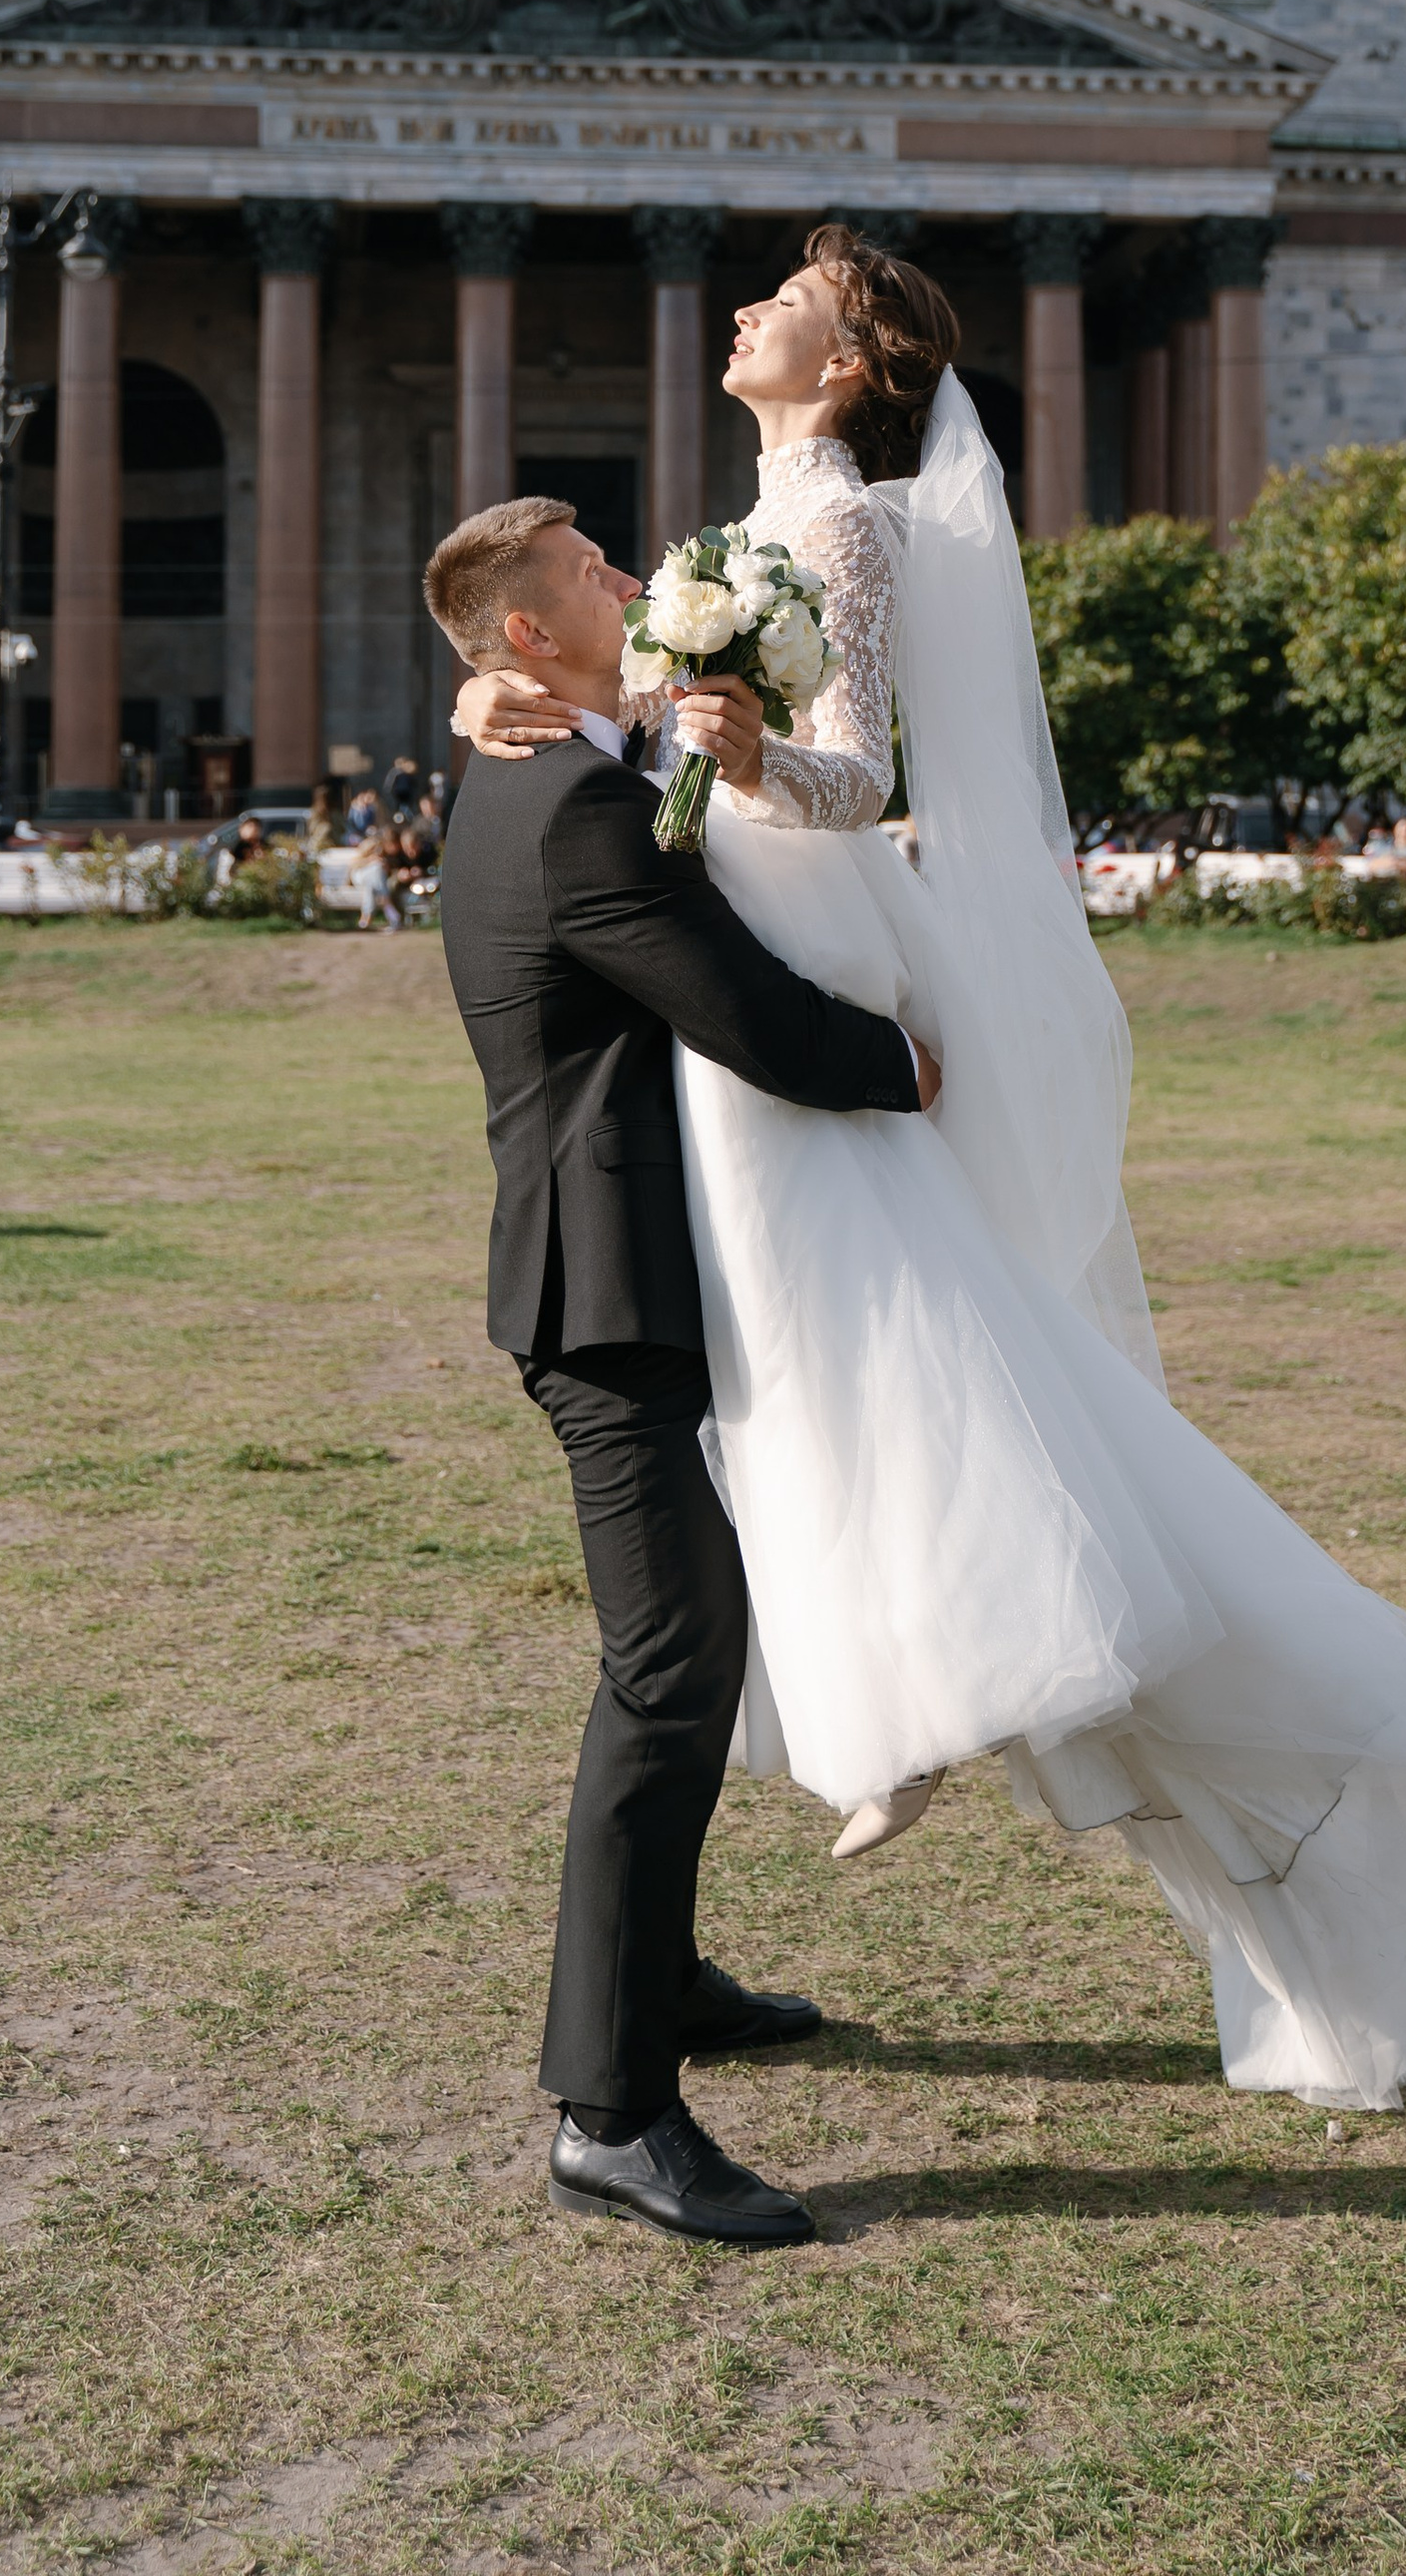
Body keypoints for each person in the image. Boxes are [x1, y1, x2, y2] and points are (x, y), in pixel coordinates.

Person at [457, 225, 1406, 2119]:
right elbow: (642, 712)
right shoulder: (738, 524)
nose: (753, 305)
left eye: (791, 295)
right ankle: (888, 1690)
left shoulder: (845, 524)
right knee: (809, 1358)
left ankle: (924, 1691)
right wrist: (531, 700)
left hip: (807, 947)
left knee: (860, 1332)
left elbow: (861, 775)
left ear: (851, 362)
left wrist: (742, 743)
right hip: (744, 960)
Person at [427, 493, 934, 2249]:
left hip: (627, 1278)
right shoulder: (569, 809)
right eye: (591, 577)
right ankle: (613, 2108)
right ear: (527, 642)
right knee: (664, 1674)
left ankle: (670, 1980)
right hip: (609, 1293)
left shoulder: (527, 769)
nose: (632, 584)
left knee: (689, 1663)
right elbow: (742, 1010)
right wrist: (913, 1064)